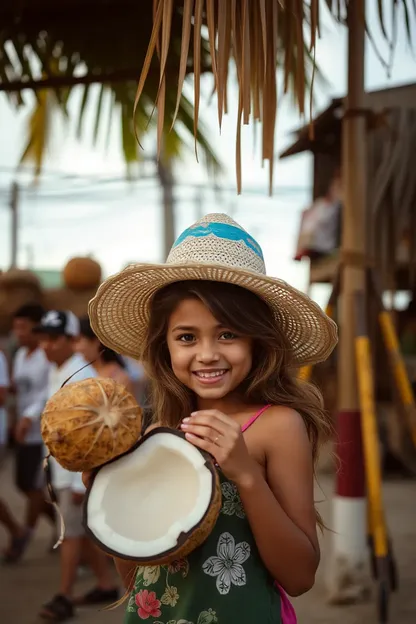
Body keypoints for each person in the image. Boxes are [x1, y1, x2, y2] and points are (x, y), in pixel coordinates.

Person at [85, 213, 338, 624]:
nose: (206, 354)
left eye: (228, 334)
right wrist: (108, 496)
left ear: (259, 341)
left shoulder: (277, 426)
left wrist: (247, 475)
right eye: (186, 337)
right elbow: (138, 577)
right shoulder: (156, 435)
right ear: (164, 346)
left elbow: (300, 575)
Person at [33, 310, 118, 622]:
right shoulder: (57, 369)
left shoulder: (80, 377)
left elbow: (92, 431)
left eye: (53, 338)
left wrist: (81, 481)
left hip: (74, 472)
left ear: (72, 340)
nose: (46, 345)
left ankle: (64, 596)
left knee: (69, 533)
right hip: (59, 467)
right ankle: (106, 583)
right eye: (42, 337)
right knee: (79, 533)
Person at [5, 304, 55, 563]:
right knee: (22, 483)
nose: (18, 333)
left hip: (40, 431)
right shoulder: (21, 355)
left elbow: (48, 391)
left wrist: (28, 416)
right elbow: (17, 389)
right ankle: (58, 521)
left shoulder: (45, 357)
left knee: (34, 484)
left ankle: (26, 533)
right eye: (16, 328)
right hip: (24, 430)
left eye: (23, 327)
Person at [75, 316, 134, 393]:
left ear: (96, 341)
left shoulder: (118, 377)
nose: (76, 347)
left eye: (78, 340)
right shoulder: (77, 372)